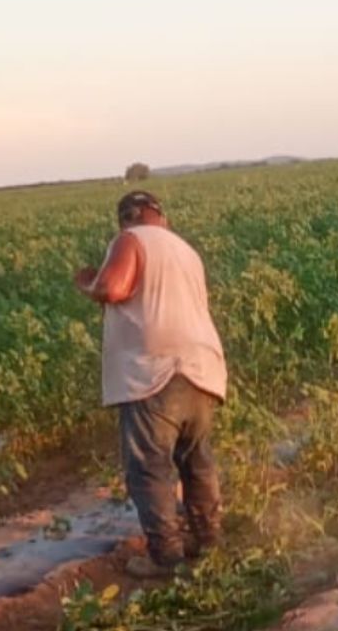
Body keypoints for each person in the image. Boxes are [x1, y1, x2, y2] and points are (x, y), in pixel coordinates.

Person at [74, 190, 227, 577]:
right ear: (161, 216)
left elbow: (113, 288)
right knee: (196, 460)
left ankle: (167, 560)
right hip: (203, 367)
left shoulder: (131, 240)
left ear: (128, 218)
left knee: (148, 467)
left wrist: (89, 284)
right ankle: (208, 542)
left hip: (155, 371)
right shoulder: (185, 250)